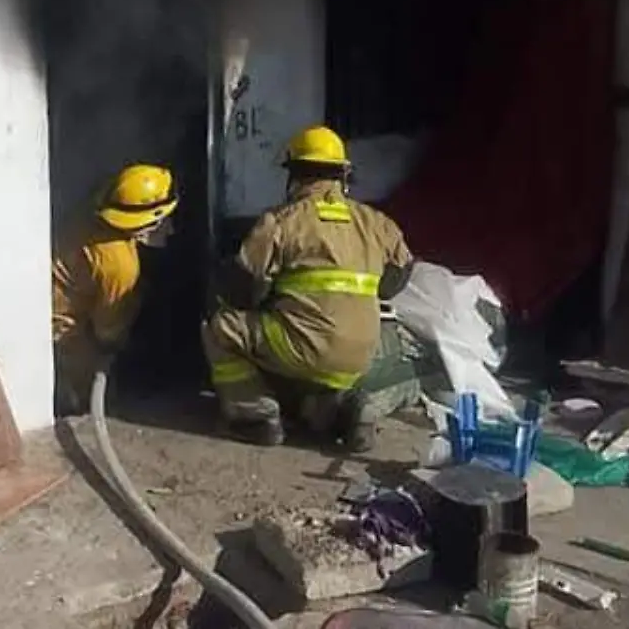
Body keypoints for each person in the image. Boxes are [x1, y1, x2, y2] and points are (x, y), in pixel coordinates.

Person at [202, 125, 415, 449]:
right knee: (302, 349)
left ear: (294, 175)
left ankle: (254, 418)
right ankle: (336, 410)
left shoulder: (280, 221)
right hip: (359, 356)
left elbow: (241, 290)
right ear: (343, 175)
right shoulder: (376, 222)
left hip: (303, 348)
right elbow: (395, 282)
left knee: (220, 328)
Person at [52, 164, 178, 416]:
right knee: (90, 393)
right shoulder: (120, 265)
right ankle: (76, 408)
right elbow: (107, 332)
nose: (172, 229)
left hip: (56, 298)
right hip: (62, 330)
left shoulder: (91, 215)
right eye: (164, 221)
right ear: (147, 225)